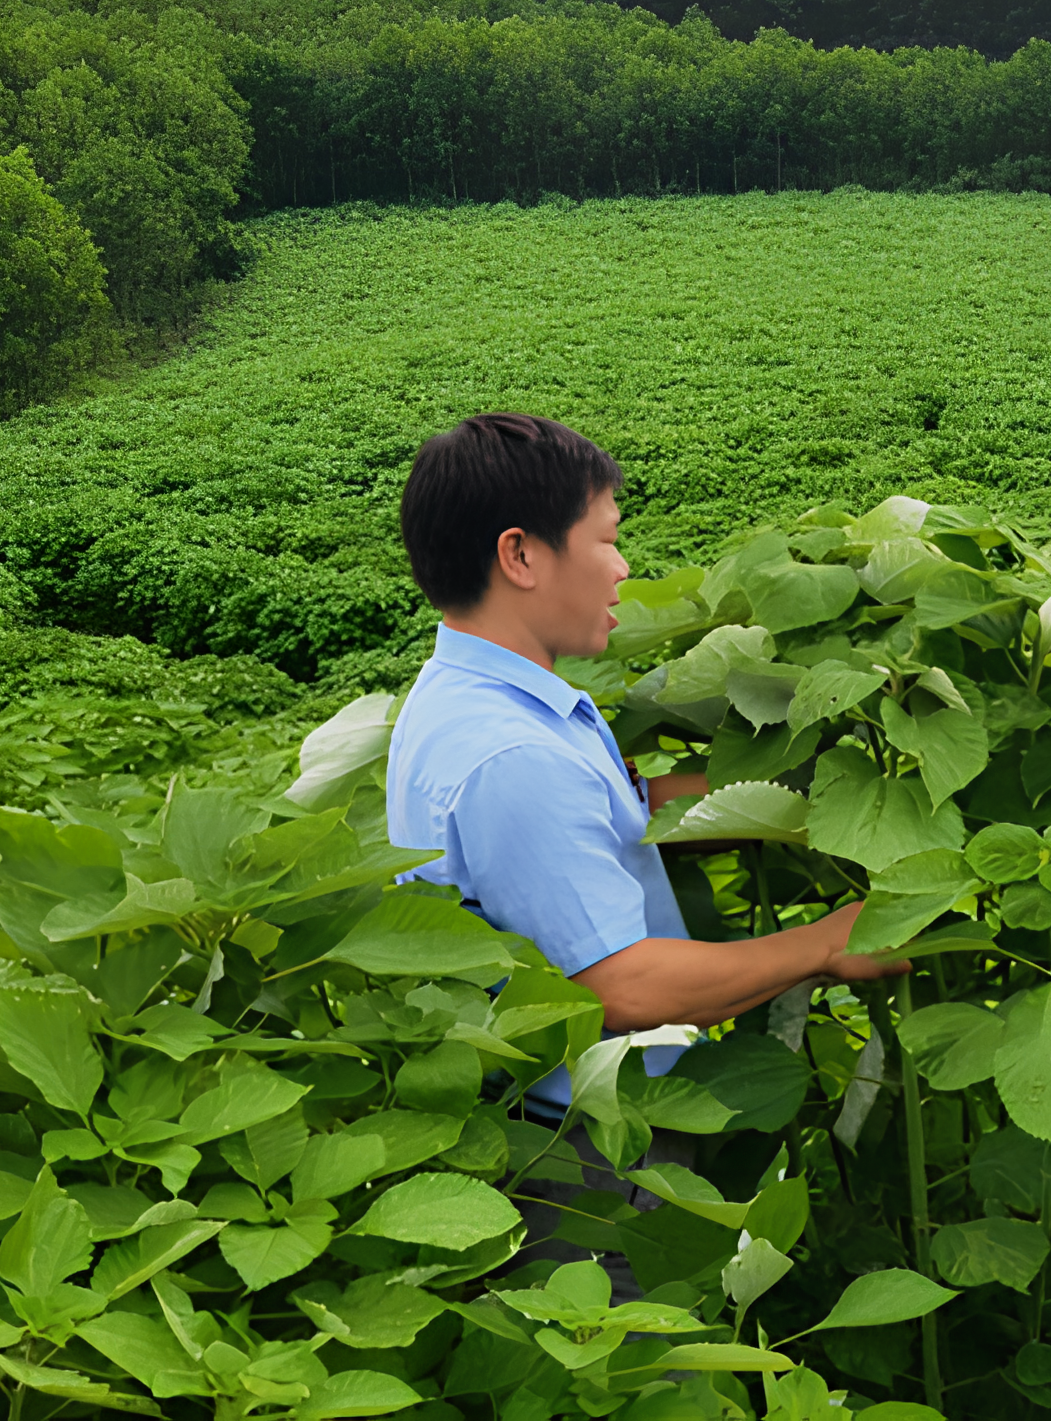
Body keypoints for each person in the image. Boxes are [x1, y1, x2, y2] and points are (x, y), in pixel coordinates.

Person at [384, 411, 903, 1128]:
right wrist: (828, 942)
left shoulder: (469, 695)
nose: (623, 568)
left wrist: (818, 802)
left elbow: (613, 820)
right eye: (607, 539)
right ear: (521, 556)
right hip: (588, 1147)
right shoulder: (514, 754)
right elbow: (622, 986)